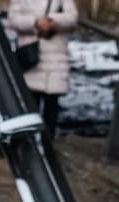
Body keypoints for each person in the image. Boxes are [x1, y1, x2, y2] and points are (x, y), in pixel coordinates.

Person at [7, 0, 75, 146]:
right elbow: (13, 18)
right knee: (29, 105)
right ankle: (27, 146)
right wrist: (35, 23)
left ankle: (47, 146)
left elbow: (72, 17)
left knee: (51, 107)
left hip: (55, 57)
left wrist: (52, 20)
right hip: (31, 57)